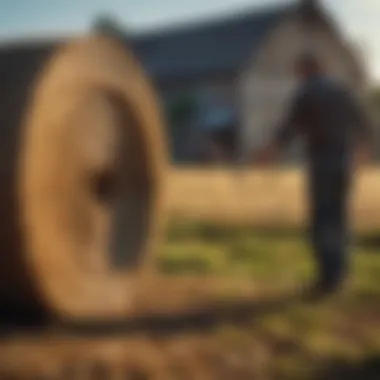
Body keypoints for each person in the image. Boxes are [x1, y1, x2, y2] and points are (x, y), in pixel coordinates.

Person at [253, 52, 372, 299]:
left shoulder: (308, 93)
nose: (297, 76)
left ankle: (327, 280)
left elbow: (289, 128)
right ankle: (340, 276)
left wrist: (269, 152)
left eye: (298, 71)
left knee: (323, 219)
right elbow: (364, 123)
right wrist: (363, 152)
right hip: (343, 161)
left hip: (322, 162)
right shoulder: (341, 91)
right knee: (340, 218)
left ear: (306, 69)